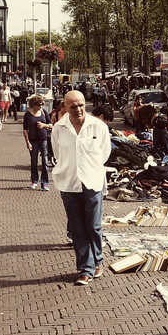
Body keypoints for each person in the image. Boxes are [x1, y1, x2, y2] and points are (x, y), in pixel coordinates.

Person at [51, 91, 113, 286]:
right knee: (77, 228)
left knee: (93, 226)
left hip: (92, 181)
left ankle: (98, 260)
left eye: (81, 105)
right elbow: (57, 153)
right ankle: (85, 268)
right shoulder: (59, 128)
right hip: (69, 183)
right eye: (73, 106)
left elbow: (104, 153)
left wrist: (90, 169)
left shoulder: (99, 127)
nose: (78, 109)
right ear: (65, 107)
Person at [22, 94, 53, 190]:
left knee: (44, 161)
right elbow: (25, 130)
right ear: (33, 105)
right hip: (33, 140)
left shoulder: (43, 112)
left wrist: (44, 125)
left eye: (42, 104)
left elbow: (51, 125)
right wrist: (27, 142)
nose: (41, 106)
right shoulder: (28, 114)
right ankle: (34, 181)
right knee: (34, 161)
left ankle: (45, 183)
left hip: (43, 139)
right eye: (39, 105)